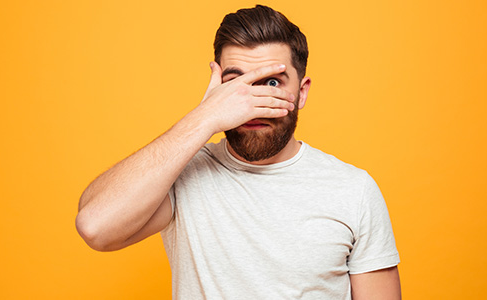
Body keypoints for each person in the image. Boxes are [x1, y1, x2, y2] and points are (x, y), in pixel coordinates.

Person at [76, 5, 401, 299]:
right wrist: (204, 117)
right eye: (236, 84)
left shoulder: (353, 190)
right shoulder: (182, 176)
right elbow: (95, 226)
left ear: (301, 93)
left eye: (272, 83)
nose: (252, 103)